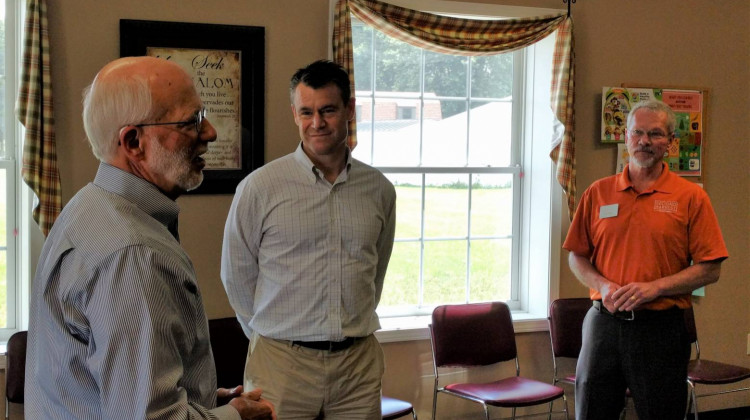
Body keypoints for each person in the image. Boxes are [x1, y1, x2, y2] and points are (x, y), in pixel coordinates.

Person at [25, 56, 276, 420]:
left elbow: (95, 382)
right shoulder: (132, 254)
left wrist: (203, 400)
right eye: (192, 122)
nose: (210, 134)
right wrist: (237, 416)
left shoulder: (88, 207)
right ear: (133, 141)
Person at [221, 59, 396, 419]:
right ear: (294, 113)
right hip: (282, 364)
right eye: (306, 112)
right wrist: (270, 336)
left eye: (328, 110)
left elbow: (375, 272)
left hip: (357, 366)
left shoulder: (379, 189)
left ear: (349, 109)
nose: (316, 123)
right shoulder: (260, 188)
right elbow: (236, 275)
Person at [563, 99, 728, 420]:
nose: (645, 141)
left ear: (670, 142)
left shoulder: (690, 197)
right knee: (592, 412)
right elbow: (577, 256)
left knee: (661, 413)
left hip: (660, 328)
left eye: (655, 134)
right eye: (637, 132)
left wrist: (655, 288)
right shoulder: (598, 192)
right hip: (603, 325)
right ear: (625, 137)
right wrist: (604, 286)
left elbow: (711, 268)